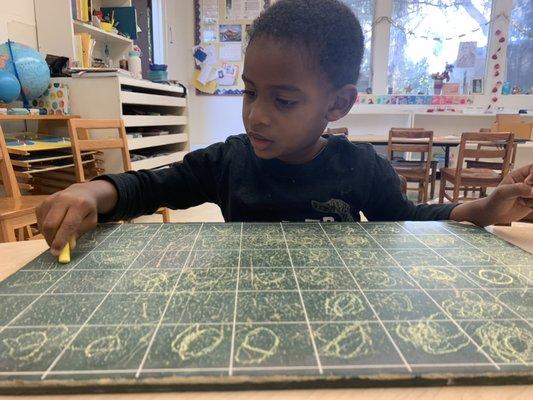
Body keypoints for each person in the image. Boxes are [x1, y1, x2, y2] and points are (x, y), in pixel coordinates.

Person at [37, 0, 533, 256]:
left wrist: (486, 207)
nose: (257, 114)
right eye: (250, 92)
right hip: (240, 311)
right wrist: (89, 191)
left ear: (336, 106)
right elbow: (149, 185)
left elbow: (414, 217)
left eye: (284, 99)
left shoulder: (361, 169)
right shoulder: (227, 161)